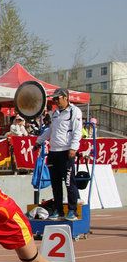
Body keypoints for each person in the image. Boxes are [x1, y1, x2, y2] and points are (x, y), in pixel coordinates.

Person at [34, 88, 83, 221]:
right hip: (53, 152)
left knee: (68, 182)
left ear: (65, 97)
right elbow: (51, 130)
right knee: (55, 183)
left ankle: (72, 210)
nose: (55, 101)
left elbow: (77, 131)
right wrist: (39, 141)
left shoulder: (74, 111)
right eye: (54, 99)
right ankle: (58, 210)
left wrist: (73, 148)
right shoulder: (55, 113)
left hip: (66, 152)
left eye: (57, 98)